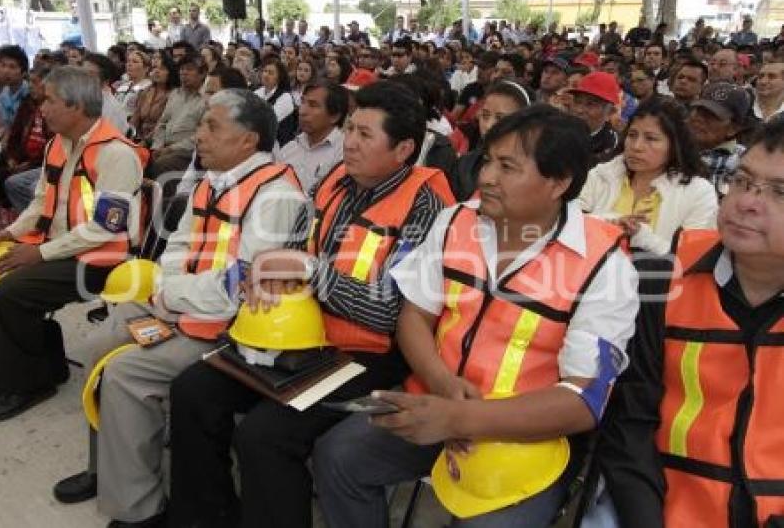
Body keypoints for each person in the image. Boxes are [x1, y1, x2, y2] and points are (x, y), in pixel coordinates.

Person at [313, 104, 639, 528]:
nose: (486, 176)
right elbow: (414, 315)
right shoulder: (455, 221)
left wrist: (462, 418)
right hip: (436, 397)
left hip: (529, 435)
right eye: (488, 160)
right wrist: (442, 384)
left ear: (559, 182)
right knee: (339, 458)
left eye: (508, 167)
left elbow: (581, 402)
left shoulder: (605, 263)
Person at [166, 81, 454, 528]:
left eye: (365, 135)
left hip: (368, 356)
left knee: (264, 436)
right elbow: (297, 248)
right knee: (193, 390)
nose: (350, 144)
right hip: (300, 332)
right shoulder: (333, 181)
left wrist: (309, 270)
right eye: (350, 130)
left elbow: (389, 312)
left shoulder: (427, 209)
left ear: (404, 150)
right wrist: (275, 271)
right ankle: (206, 516)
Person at [52, 88, 307, 526]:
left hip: (231, 329)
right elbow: (178, 247)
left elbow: (240, 288)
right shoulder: (215, 180)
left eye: (212, 126)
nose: (200, 136)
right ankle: (110, 469)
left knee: (127, 374)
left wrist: (169, 296)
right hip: (183, 306)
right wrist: (169, 290)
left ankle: (139, 507)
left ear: (248, 141)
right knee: (98, 346)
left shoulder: (276, 195)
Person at [597, 116, 784, 527]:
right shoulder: (663, 283)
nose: (748, 201)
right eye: (743, 181)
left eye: (779, 193)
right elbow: (630, 424)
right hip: (662, 502)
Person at [0, 66, 147, 422]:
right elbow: (39, 202)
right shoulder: (56, 145)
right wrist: (11, 233)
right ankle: (6, 364)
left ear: (77, 107)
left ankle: (28, 383)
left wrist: (38, 253)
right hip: (56, 246)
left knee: (10, 291)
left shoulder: (116, 154)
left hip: (99, 260)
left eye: (51, 100)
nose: (42, 107)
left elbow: (107, 228)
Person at [579, 98, 718, 254]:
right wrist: (609, 222)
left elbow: (691, 258)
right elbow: (569, 224)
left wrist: (642, 237)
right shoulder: (601, 174)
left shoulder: (698, 192)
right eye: (632, 135)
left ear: (674, 145)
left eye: (651, 138)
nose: (636, 147)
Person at [452, 79, 533, 200]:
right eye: (485, 116)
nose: (489, 125)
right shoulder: (465, 164)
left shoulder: (533, 171)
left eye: (500, 118)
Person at [0, 64, 53, 203]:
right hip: (21, 157)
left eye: (35, 82)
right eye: (29, 81)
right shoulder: (27, 104)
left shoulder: (54, 109)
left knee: (11, 181)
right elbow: (15, 134)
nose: (30, 86)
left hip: (39, 162)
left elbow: (52, 145)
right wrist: (12, 157)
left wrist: (29, 164)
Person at [275, 81, 349, 194]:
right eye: (303, 102)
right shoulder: (290, 148)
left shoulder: (345, 153)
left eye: (313, 105)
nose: (302, 111)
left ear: (334, 116)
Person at [148, 56, 207, 189]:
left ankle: (166, 206)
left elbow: (200, 135)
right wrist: (157, 146)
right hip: (163, 146)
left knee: (163, 164)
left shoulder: (206, 99)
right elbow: (162, 123)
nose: (184, 73)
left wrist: (170, 149)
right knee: (140, 157)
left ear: (202, 73)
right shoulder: (175, 94)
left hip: (187, 151)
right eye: (181, 69)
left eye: (190, 69)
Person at [687, 81, 751, 194]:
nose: (699, 119)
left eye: (711, 116)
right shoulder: (672, 146)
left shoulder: (743, 162)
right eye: (698, 111)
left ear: (734, 128)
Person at [568, 71, 621, 166]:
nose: (579, 110)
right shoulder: (560, 131)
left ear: (609, 112)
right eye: (578, 102)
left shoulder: (613, 145)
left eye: (590, 104)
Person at [130, 51, 177, 148]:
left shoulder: (173, 95)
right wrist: (128, 137)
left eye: (162, 69)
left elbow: (162, 126)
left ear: (170, 72)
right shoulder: (145, 92)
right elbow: (135, 119)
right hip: (138, 138)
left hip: (158, 142)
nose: (157, 71)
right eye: (155, 68)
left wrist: (144, 143)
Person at [254, 56, 297, 145]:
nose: (266, 75)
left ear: (279, 77)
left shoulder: (285, 97)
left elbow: (269, 122)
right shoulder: (257, 92)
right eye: (265, 71)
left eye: (271, 73)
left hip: (277, 144)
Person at [0, 45, 30, 130]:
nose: (6, 71)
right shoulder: (3, 94)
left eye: (12, 67)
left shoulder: (29, 94)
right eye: (3, 65)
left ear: (24, 72)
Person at [114, 50, 152, 119]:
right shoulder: (123, 86)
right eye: (128, 61)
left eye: (135, 62)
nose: (129, 64)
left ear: (146, 68)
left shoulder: (149, 87)